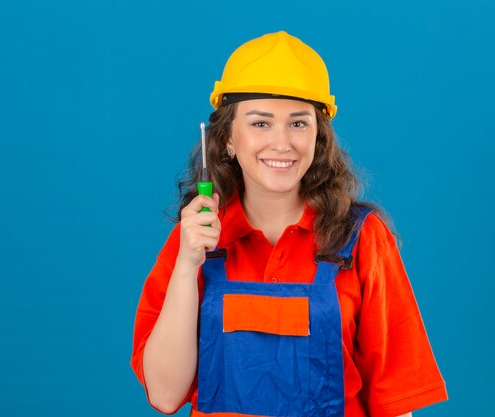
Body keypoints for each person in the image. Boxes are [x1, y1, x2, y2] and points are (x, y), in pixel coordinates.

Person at [131, 31, 448, 417]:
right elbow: (164, 395)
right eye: (261, 123)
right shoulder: (195, 238)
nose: (282, 143)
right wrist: (186, 266)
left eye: (298, 124)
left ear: (318, 137)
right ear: (228, 137)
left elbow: (395, 403)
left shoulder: (362, 238)